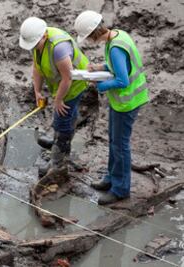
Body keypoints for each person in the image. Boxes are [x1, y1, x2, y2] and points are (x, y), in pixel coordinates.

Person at [74, 10, 149, 205]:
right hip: (123, 101)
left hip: (128, 102)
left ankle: (120, 190)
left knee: (120, 145)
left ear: (92, 34)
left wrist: (101, 86)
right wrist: (99, 68)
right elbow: (117, 66)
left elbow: (122, 80)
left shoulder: (115, 47)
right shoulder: (118, 35)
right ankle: (110, 178)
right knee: (114, 141)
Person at [19, 17, 89, 179]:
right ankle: (57, 141)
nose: (33, 48)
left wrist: (58, 100)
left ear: (44, 36)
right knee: (65, 117)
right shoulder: (37, 42)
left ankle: (58, 164)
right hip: (61, 83)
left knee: (62, 119)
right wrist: (37, 91)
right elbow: (37, 67)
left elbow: (68, 78)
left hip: (73, 84)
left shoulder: (59, 48)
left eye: (35, 45)